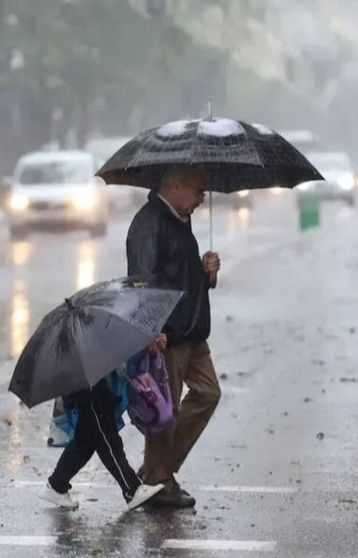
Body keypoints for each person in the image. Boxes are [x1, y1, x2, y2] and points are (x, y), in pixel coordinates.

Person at [126, 165, 222, 509]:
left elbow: (178, 273)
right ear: (177, 186)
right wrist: (151, 328)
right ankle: (157, 481)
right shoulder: (148, 223)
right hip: (168, 334)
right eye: (199, 189)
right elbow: (142, 281)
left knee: (209, 393)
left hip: (193, 330)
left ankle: (158, 470)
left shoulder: (180, 217)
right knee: (165, 410)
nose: (202, 198)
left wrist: (205, 270)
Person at [39, 368, 165, 511]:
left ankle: (57, 485)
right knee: (106, 436)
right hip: (88, 382)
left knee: (85, 441)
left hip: (92, 379)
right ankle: (132, 489)